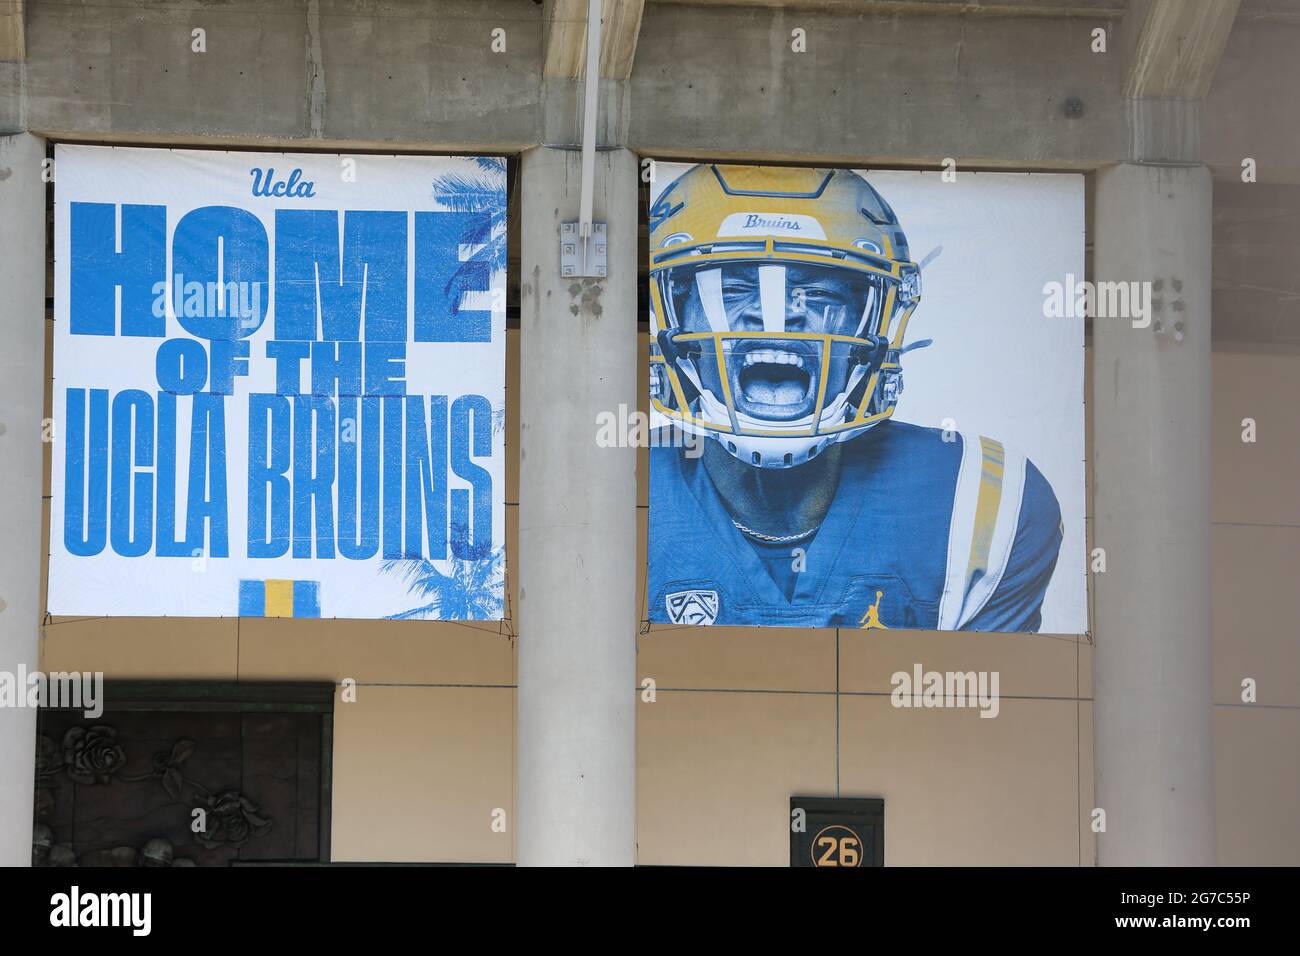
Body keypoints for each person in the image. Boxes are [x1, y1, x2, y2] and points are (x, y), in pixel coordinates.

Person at [646, 164, 1063, 630]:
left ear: (874, 317)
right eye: (733, 286)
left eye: (818, 289)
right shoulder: (605, 497)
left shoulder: (978, 503)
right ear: (672, 312)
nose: (778, 312)